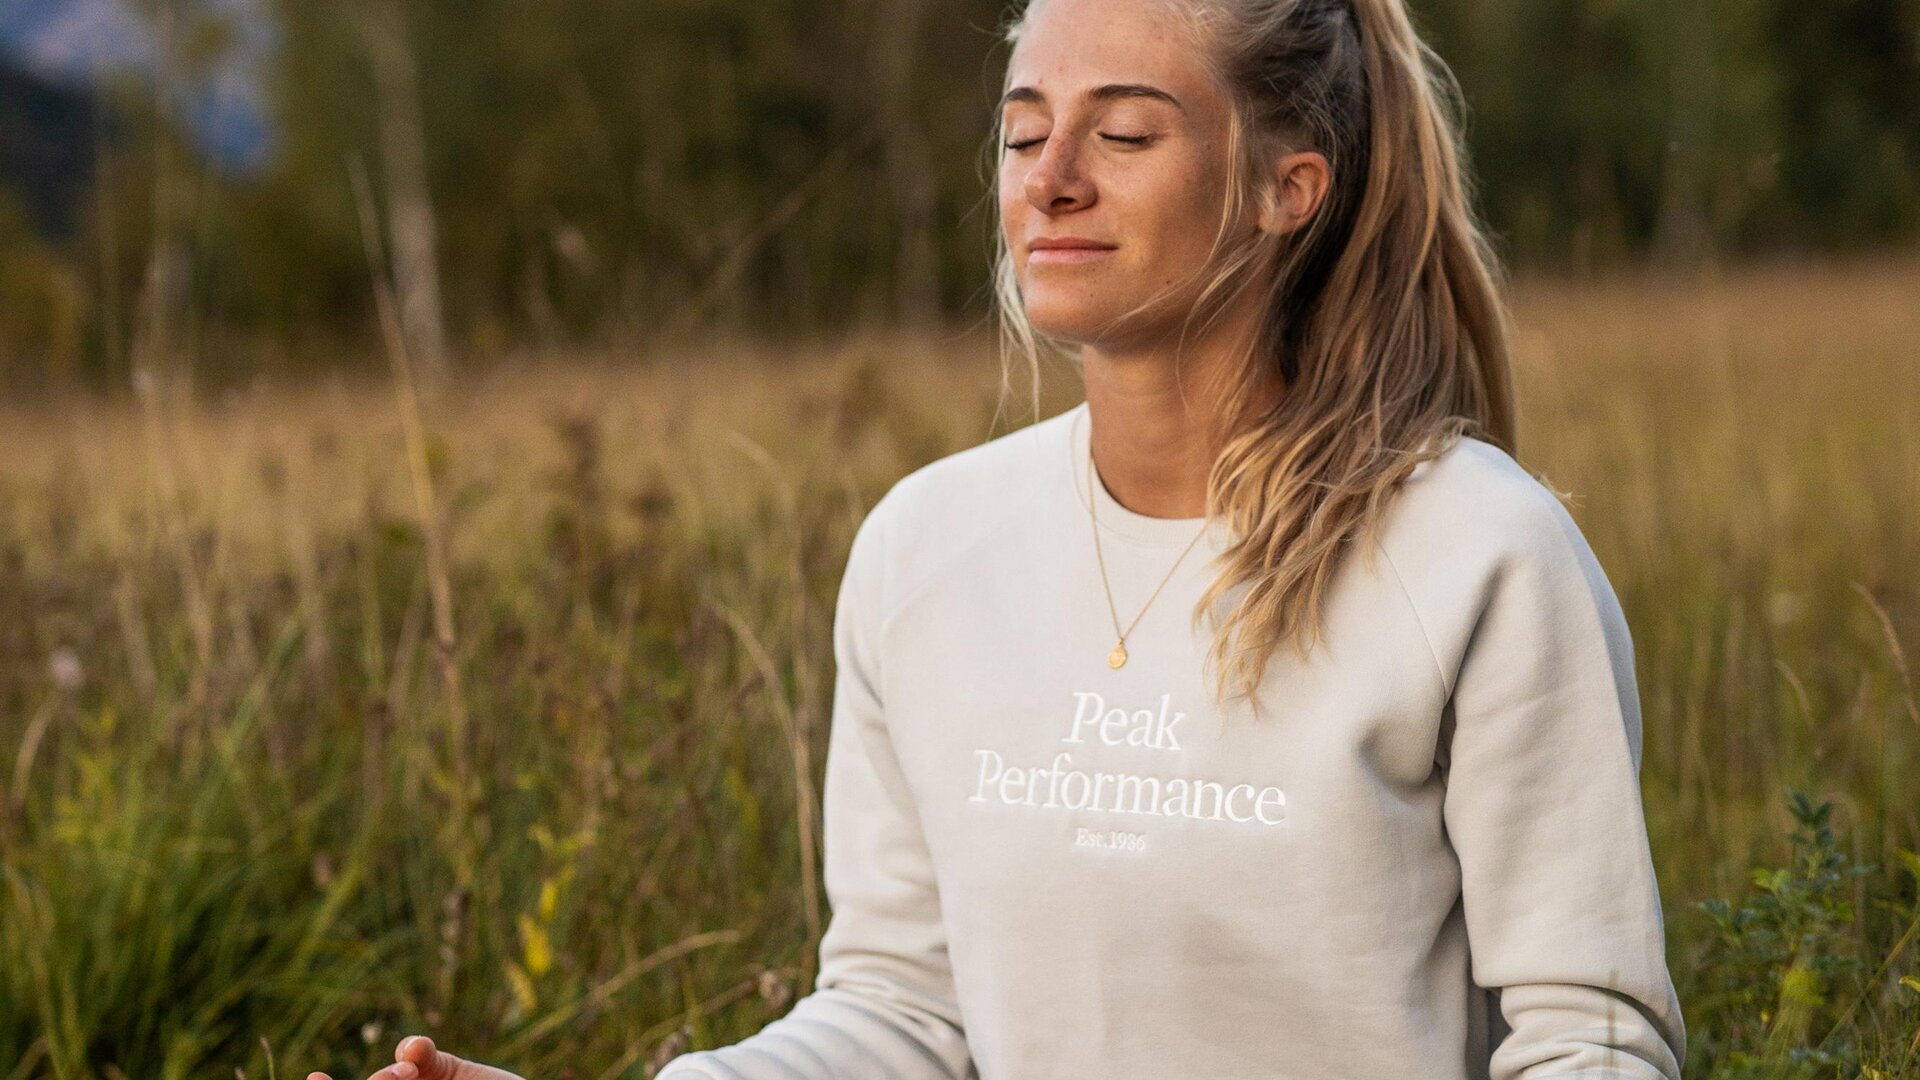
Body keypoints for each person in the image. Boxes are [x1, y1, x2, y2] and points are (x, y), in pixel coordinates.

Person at [312, 0, 1688, 1076]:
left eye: (1126, 134)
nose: (1053, 180)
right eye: (1026, 134)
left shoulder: (1479, 556)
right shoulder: (926, 549)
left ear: (1291, 186)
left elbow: (1590, 1046)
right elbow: (904, 1016)